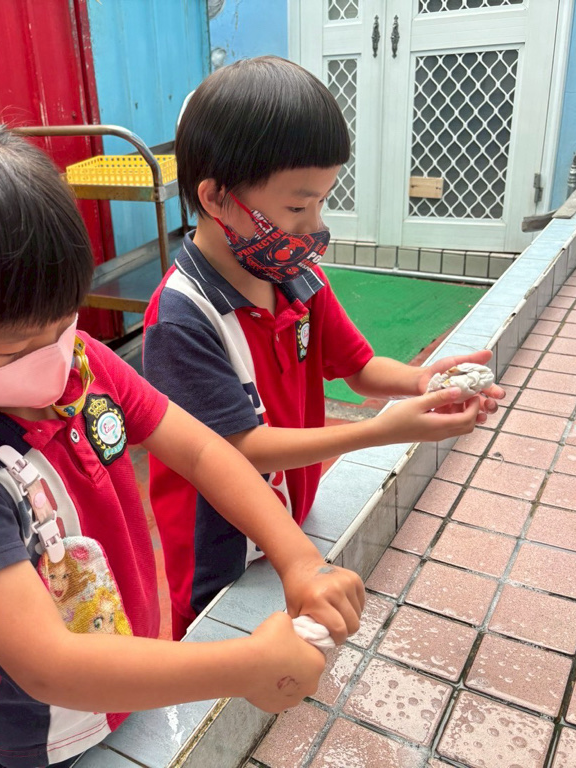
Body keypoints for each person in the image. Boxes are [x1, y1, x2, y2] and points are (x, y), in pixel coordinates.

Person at [0, 118, 365, 768]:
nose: (52, 355)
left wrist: (298, 559)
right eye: (15, 346)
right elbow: (51, 665)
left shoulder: (84, 364)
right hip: (42, 742)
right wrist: (245, 665)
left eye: (63, 322)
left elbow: (205, 451)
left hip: (131, 680)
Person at [143, 56, 504, 640]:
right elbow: (241, 450)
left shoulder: (296, 277)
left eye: (321, 202)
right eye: (296, 206)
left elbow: (359, 368)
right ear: (215, 197)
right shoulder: (183, 319)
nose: (313, 225)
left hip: (294, 517)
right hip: (222, 555)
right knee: (223, 656)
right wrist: (380, 431)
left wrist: (421, 382)